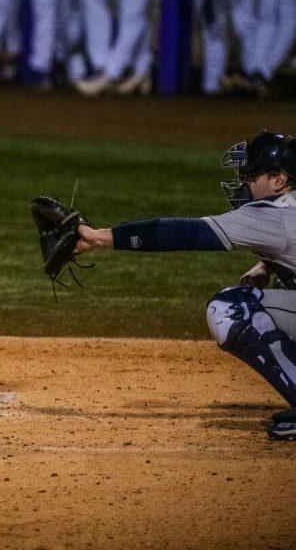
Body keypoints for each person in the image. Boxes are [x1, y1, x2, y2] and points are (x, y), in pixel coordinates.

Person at [73, 131, 296, 441]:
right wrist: (268, 265)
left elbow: (182, 233)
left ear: (278, 180)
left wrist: (98, 237)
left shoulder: (271, 217)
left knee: (231, 309)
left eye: (250, 175)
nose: (244, 183)